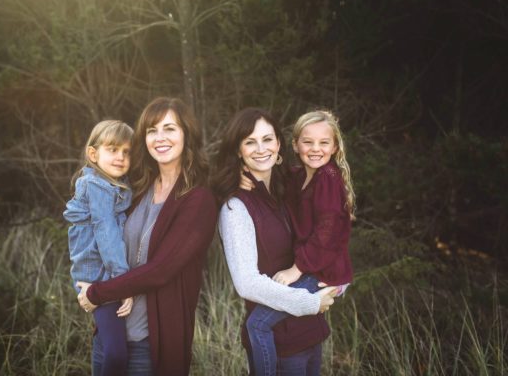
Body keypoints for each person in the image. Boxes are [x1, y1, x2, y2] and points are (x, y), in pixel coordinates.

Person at [76, 97, 218, 376]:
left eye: (169, 129)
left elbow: (161, 270)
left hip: (150, 344)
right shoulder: (136, 188)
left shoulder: (198, 200)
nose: (160, 138)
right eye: (152, 130)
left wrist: (97, 293)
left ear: (186, 134)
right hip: (110, 334)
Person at [212, 107, 338, 376]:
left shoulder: (290, 190)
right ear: (238, 151)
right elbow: (247, 282)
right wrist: (310, 302)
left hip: (311, 334)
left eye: (267, 139)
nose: (260, 149)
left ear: (279, 144)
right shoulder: (236, 207)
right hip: (279, 346)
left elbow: (327, 235)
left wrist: (339, 282)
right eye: (250, 142)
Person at [240, 109, 355, 376]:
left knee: (257, 325)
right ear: (294, 144)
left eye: (324, 143)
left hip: (319, 270)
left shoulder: (327, 177)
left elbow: (326, 232)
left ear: (335, 146)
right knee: (259, 324)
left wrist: (296, 270)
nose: (315, 149)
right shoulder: (299, 175)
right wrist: (241, 172)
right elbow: (268, 174)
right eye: (308, 141)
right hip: (314, 267)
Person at [63, 120, 135, 376]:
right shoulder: (97, 186)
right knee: (116, 353)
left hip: (101, 275)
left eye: (126, 152)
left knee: (109, 345)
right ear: (93, 154)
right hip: (99, 278)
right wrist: (123, 282)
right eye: (113, 149)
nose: (120, 157)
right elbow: (106, 234)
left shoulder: (112, 184)